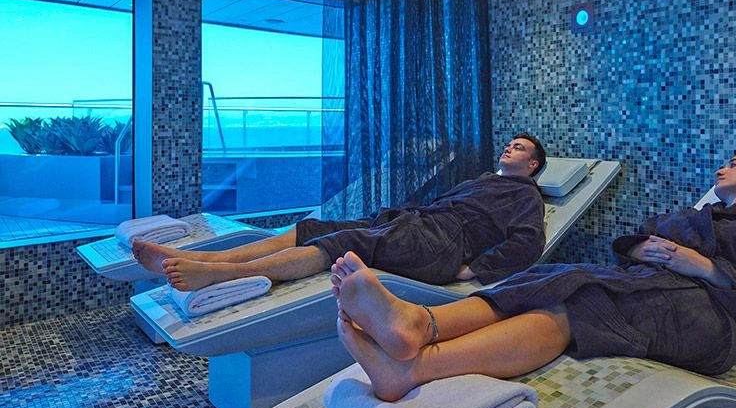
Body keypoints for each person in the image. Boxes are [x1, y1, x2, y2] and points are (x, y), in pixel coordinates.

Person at [330, 148, 736, 402]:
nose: (721, 169)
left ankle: (414, 370)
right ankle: (421, 323)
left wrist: (702, 266)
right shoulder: (701, 216)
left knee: (581, 301)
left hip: (708, 322)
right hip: (654, 290)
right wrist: (648, 247)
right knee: (550, 276)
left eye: (734, 163)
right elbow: (640, 237)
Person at [134, 133, 548, 291]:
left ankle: (224, 273)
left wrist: (473, 270)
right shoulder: (485, 179)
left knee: (343, 244)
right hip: (416, 227)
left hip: (441, 245)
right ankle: (203, 257)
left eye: (519, 148)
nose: (508, 147)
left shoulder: (526, 196)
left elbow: (528, 243)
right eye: (509, 143)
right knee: (313, 226)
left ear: (532, 165)